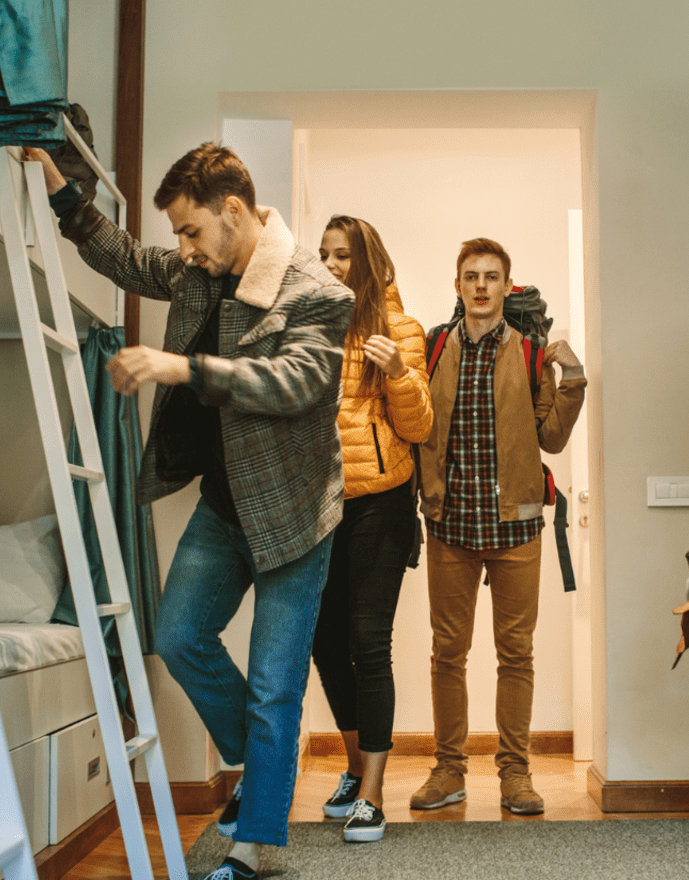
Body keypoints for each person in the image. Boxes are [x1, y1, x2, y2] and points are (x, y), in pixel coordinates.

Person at [26, 143, 353, 880]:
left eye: (192, 231)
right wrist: (61, 191)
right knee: (176, 636)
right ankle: (266, 772)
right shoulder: (199, 269)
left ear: (233, 212)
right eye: (179, 235)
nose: (183, 249)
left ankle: (253, 846)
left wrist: (184, 367)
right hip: (225, 504)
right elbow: (130, 261)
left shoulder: (318, 291)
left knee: (276, 685)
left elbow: (295, 382)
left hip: (297, 515)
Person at [408, 238, 586, 816]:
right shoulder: (435, 348)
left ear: (506, 288)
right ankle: (448, 769)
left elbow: (552, 438)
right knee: (447, 654)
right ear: (457, 286)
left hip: (516, 531)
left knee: (516, 655)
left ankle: (515, 774)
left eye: (491, 277)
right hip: (451, 527)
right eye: (470, 276)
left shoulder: (532, 355)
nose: (481, 286)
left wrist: (573, 378)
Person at [308, 215, 433, 843]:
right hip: (318, 505)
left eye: (343, 256)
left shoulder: (400, 329)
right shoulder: (308, 323)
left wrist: (400, 375)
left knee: (368, 641)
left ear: (368, 262)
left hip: (380, 506)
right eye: (324, 255)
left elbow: (419, 427)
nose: (331, 266)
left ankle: (375, 795)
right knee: (323, 642)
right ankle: (356, 772)